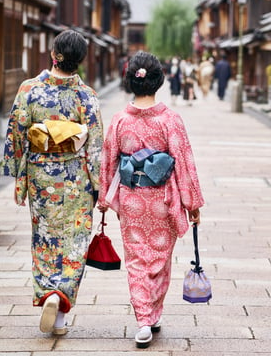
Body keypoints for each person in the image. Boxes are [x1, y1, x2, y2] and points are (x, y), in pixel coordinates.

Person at [97, 51, 204, 349]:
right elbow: (183, 162)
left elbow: (108, 161)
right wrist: (192, 203)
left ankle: (146, 317)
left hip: (132, 200)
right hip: (162, 200)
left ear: (131, 80)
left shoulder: (119, 120)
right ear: (159, 81)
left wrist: (105, 196)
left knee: (136, 261)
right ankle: (149, 316)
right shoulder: (170, 120)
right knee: (158, 259)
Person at [3, 29, 104, 336]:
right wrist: (99, 185)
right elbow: (96, 146)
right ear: (81, 61)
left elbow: (16, 134)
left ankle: (48, 292)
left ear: (54, 55)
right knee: (73, 244)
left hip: (41, 176)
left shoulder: (29, 89)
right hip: (76, 179)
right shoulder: (86, 96)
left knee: (45, 239)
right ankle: (60, 308)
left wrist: (18, 177)